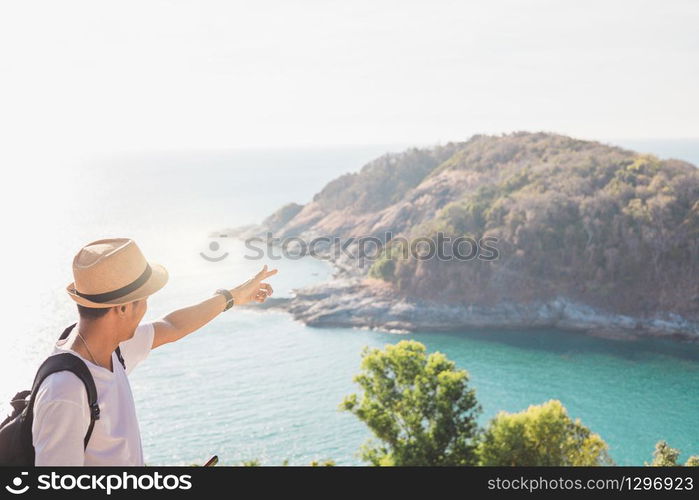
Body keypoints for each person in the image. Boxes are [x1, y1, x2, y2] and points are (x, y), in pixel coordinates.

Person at [31, 237, 277, 465]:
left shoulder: (111, 349)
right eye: (145, 298)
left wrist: (232, 296)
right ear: (123, 308)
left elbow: (173, 326)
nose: (147, 307)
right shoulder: (65, 391)